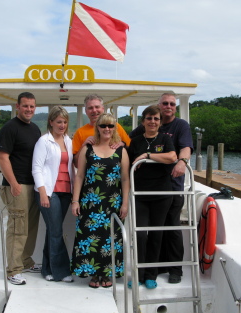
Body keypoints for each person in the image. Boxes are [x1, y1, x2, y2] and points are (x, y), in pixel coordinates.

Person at [129, 93, 193, 284]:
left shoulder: (178, 128)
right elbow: (125, 146)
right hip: (142, 192)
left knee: (169, 230)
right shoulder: (138, 135)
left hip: (170, 189)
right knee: (142, 234)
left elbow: (180, 151)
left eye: (172, 104)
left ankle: (172, 270)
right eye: (164, 103)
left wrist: (181, 162)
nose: (168, 106)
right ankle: (145, 272)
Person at [71, 113, 130, 288]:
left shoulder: (121, 150)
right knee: (91, 238)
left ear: (115, 128)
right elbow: (79, 176)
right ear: (97, 127)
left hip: (113, 203)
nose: (107, 129)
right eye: (103, 125)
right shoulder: (87, 149)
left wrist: (125, 203)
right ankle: (94, 274)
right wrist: (75, 201)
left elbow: (125, 179)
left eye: (111, 126)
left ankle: (107, 274)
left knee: (110, 239)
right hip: (90, 202)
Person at [128, 105, 177, 289]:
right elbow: (127, 163)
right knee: (140, 236)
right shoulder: (135, 141)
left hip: (161, 195)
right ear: (143, 121)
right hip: (140, 195)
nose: (153, 122)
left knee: (156, 235)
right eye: (149, 118)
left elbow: (172, 157)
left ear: (160, 122)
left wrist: (147, 155)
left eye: (156, 119)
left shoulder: (165, 139)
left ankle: (151, 275)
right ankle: (138, 274)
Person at [0, 92, 42, 285]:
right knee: (17, 228)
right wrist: (14, 184)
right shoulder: (9, 128)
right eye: (25, 106)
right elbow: (2, 157)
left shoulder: (35, 129)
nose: (29, 110)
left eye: (32, 106)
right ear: (17, 106)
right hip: (17, 186)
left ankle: (25, 261)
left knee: (31, 227)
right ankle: (13, 270)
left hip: (33, 185)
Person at [32, 106, 74, 283]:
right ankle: (61, 271)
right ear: (51, 122)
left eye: (64, 122)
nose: (62, 125)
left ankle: (47, 269)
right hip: (49, 192)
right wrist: (42, 193)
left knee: (52, 230)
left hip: (65, 192)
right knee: (56, 231)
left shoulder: (69, 141)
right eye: (58, 122)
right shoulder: (44, 141)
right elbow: (37, 168)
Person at [72, 94, 131, 168]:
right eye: (90, 108)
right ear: (86, 111)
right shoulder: (80, 132)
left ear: (103, 109)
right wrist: (84, 145)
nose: (94, 110)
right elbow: (76, 164)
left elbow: (131, 151)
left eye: (97, 107)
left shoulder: (116, 127)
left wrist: (123, 144)